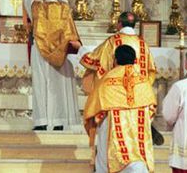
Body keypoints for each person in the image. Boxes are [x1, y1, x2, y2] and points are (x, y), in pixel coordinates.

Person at [70, 11, 163, 144]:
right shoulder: (143, 44)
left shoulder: (113, 41)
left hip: (115, 94)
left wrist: (80, 48)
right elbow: (151, 70)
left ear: (119, 24)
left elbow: (95, 60)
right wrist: (142, 89)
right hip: (138, 94)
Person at [84, 45, 156, 172]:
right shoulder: (143, 82)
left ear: (115, 60)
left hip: (111, 128)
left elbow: (93, 111)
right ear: (135, 61)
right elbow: (151, 109)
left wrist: (94, 123)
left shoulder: (106, 80)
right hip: (137, 129)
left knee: (106, 157)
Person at [24, 0, 81, 130]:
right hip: (60, 52)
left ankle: (41, 122)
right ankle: (59, 122)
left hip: (41, 51)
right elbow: (65, 0)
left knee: (41, 85)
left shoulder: (37, 8)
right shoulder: (65, 9)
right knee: (59, 87)